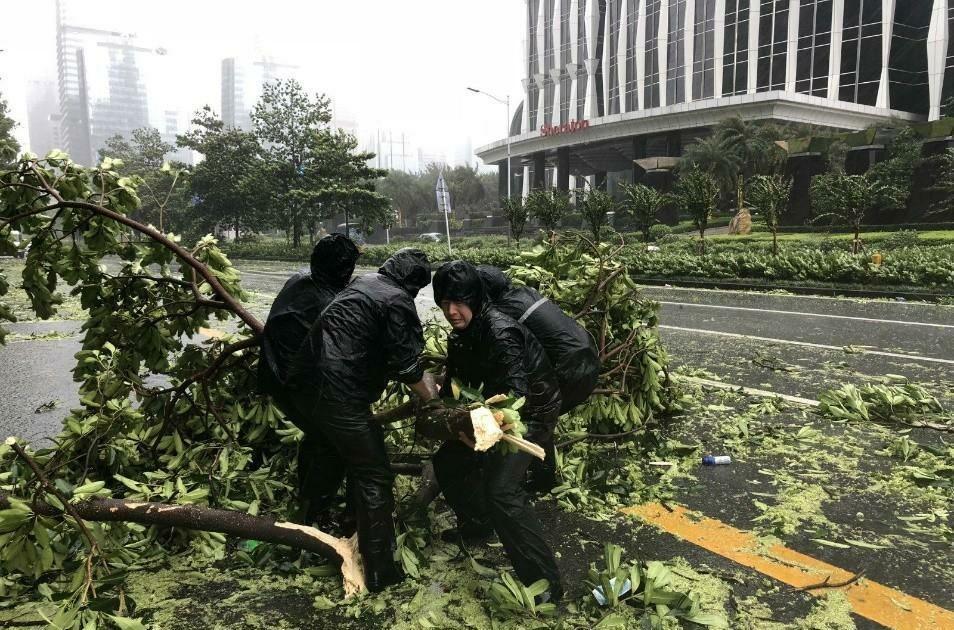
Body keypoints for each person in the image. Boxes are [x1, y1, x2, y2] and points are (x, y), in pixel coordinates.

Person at [288, 248, 435, 592]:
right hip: (339, 395)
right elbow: (407, 365)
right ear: (413, 285)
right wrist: (434, 399)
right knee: (374, 474)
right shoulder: (396, 298)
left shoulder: (362, 284)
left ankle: (310, 530)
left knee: (330, 451)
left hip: (304, 388)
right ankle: (380, 570)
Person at [431, 260, 563, 602]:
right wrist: (445, 416)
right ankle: (477, 522)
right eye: (444, 304)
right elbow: (454, 387)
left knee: (502, 489)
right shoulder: (459, 338)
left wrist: (488, 426)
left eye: (458, 303)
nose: (452, 312)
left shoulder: (500, 331)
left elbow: (516, 393)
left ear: (474, 298)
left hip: (530, 412)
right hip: (486, 412)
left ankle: (544, 583)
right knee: (447, 462)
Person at [258, 233, 360, 527]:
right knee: (333, 442)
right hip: (299, 385)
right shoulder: (327, 301)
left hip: (277, 377)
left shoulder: (299, 280)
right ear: (343, 270)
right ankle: (314, 513)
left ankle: (309, 498)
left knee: (317, 437)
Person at [476, 265, 600, 492]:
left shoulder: (503, 309)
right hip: (589, 357)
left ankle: (527, 480)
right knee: (543, 420)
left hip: (570, 369)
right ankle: (539, 476)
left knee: (536, 419)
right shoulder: (525, 292)